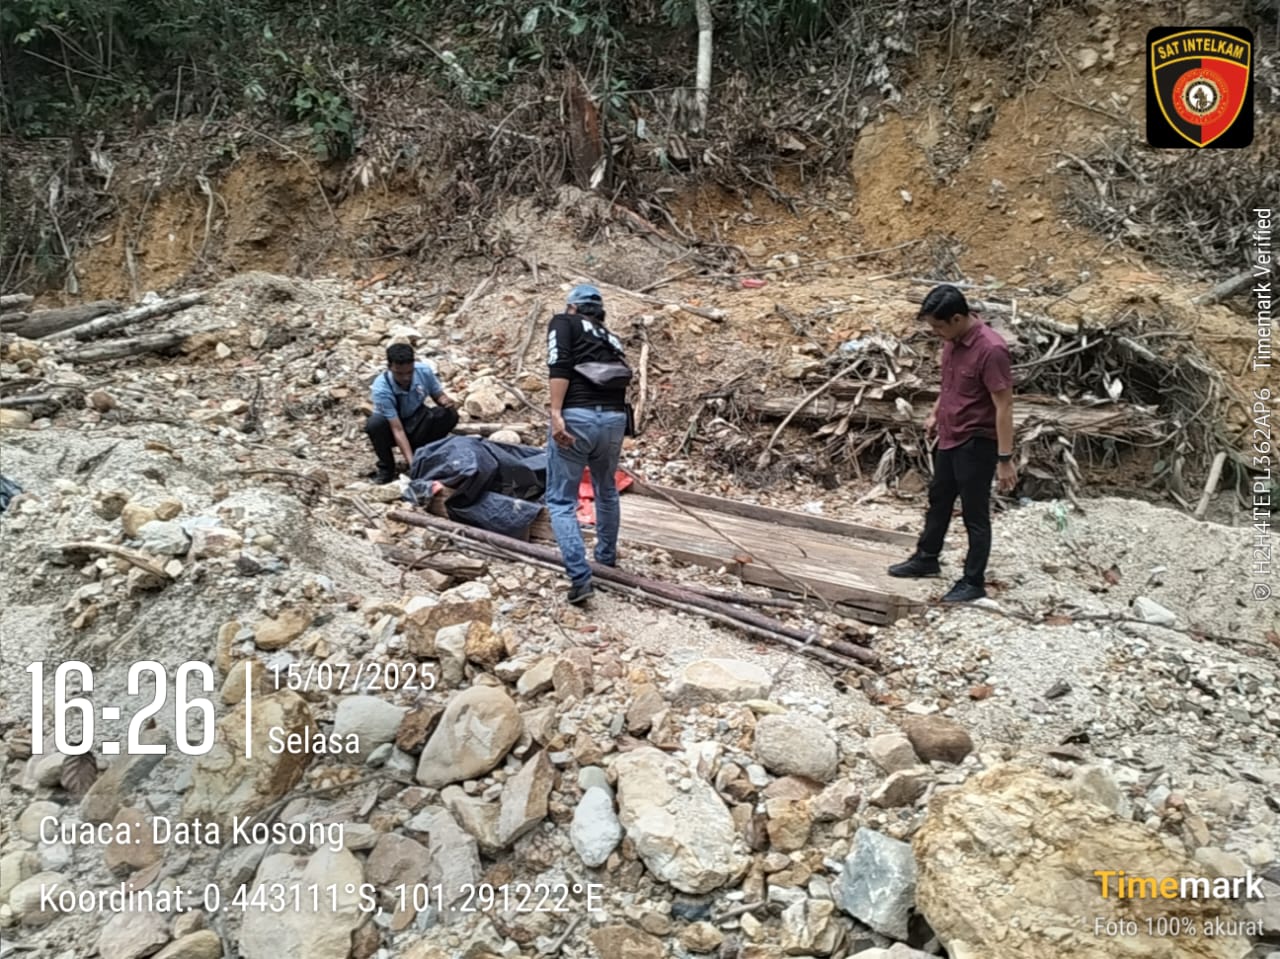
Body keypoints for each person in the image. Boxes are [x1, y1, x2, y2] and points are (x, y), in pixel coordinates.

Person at [888, 284, 1017, 602]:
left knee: (975, 513)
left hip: (977, 441)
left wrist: (1005, 458)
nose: (935, 333)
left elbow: (1004, 405)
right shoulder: (952, 341)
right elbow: (950, 385)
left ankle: (973, 581)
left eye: (938, 326)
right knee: (939, 499)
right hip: (950, 434)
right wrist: (936, 413)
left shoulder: (991, 350)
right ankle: (927, 558)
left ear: (958, 318)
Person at [546, 284, 631, 604]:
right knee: (606, 488)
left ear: (572, 307)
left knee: (560, 500)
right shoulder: (611, 337)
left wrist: (556, 412)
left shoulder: (564, 322)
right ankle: (605, 559)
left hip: (577, 417)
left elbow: (559, 364)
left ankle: (580, 578)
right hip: (614, 420)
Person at [365, 343, 459, 484]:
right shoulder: (381, 388)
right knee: (375, 424)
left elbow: (438, 395)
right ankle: (387, 469)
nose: (406, 378)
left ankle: (423, 452)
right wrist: (412, 464)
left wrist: (445, 401)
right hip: (392, 427)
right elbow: (397, 429)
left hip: (417, 420)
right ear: (389, 367)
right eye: (399, 373)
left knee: (448, 414)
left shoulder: (423, 371)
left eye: (409, 372)